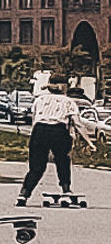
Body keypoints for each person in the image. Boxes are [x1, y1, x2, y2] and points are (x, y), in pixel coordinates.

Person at [19, 70, 81, 207]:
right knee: (62, 159)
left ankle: (24, 194)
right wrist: (88, 141)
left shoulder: (39, 99)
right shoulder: (68, 101)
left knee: (37, 166)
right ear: (64, 86)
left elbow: (34, 120)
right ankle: (66, 190)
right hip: (59, 129)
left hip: (39, 130)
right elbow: (77, 123)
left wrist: (34, 137)